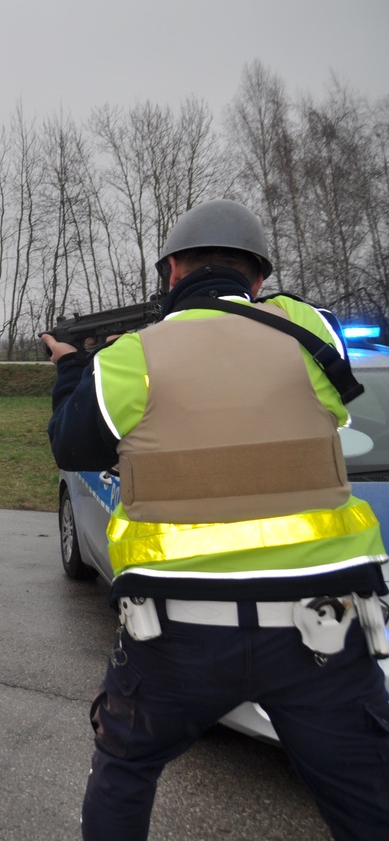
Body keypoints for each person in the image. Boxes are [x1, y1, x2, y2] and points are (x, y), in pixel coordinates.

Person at [41, 198, 389, 841]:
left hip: (176, 634)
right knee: (370, 802)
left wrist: (71, 365)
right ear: (258, 277)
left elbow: (73, 446)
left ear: (172, 271)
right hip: (321, 631)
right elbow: (338, 400)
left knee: (123, 772)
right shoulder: (308, 329)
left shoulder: (131, 358)